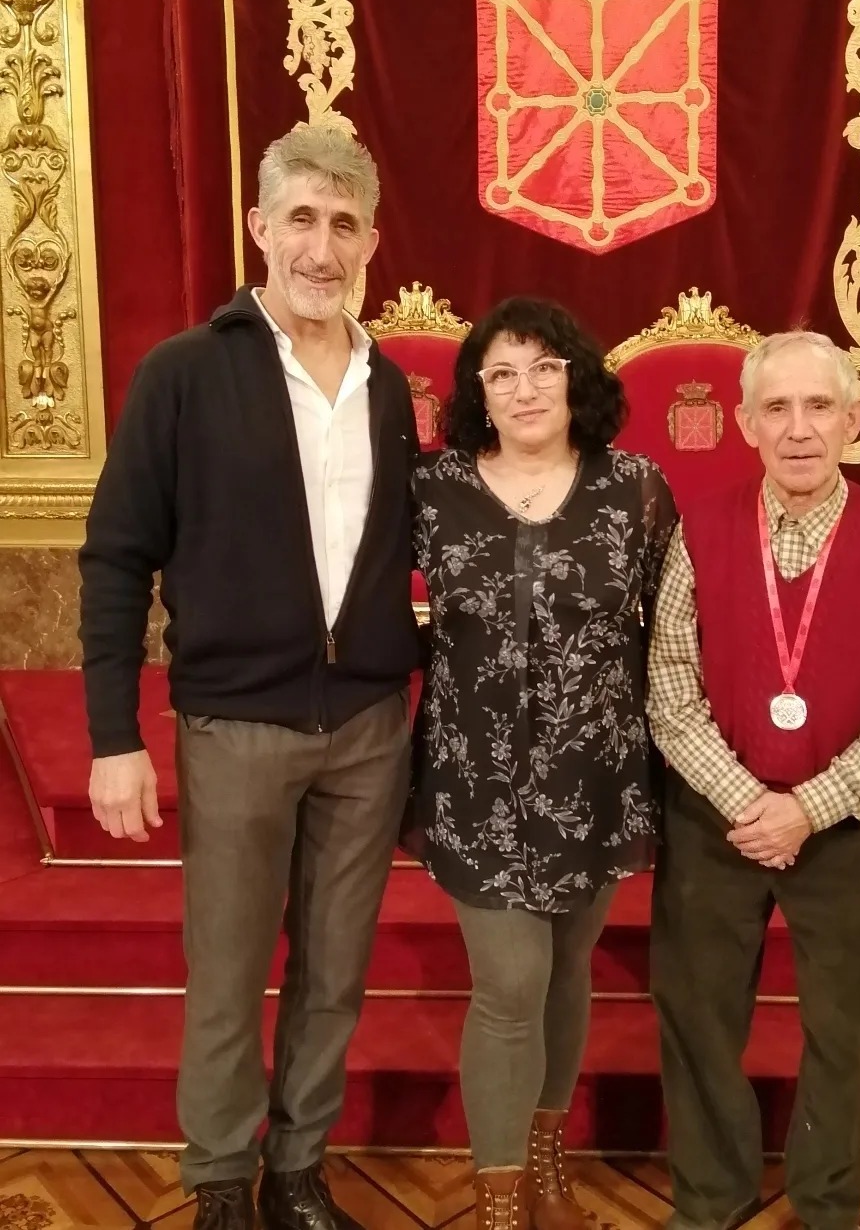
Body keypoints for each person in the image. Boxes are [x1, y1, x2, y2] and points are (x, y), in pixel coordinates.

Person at [78, 126, 420, 1230]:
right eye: (302, 219)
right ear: (260, 227)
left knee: (335, 971)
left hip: (367, 725)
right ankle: (222, 1177)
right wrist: (114, 736)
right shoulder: (183, 372)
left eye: (345, 224)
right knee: (227, 973)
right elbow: (117, 557)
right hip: (236, 728)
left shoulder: (388, 386)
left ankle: (298, 1170)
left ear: (372, 242)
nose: (323, 248)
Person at [646, 330, 860, 1230]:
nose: (799, 428)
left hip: (845, 826)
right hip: (716, 820)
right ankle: (711, 1199)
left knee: (843, 1031)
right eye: (776, 408)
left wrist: (806, 809)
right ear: (746, 424)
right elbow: (670, 691)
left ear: (854, 418)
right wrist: (749, 802)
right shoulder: (698, 533)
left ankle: (827, 1206)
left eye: (819, 406)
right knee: (698, 1018)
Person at [407, 297, 677, 1230]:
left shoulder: (636, 488)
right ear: (477, 393)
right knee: (510, 983)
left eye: (544, 368)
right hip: (474, 778)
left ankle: (546, 1160)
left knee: (567, 969)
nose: (525, 390)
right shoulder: (432, 489)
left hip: (596, 775)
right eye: (502, 373)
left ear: (577, 378)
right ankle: (498, 1201)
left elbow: (674, 637)